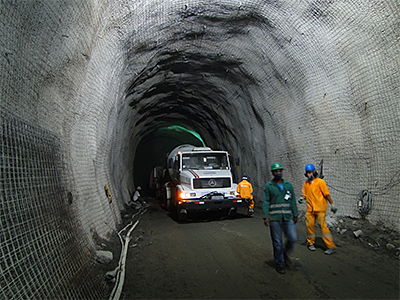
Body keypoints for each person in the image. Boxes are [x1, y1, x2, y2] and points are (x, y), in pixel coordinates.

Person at [263, 162, 298, 274]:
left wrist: (295, 214)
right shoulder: (269, 187)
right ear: (273, 173)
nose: (278, 173)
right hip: (275, 218)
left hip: (287, 217)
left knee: (292, 238)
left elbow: (292, 201)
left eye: (280, 171)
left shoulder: (288, 186)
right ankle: (280, 264)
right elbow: (266, 202)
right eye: (276, 171)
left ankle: (285, 254)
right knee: (277, 242)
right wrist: (265, 217)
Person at [301, 163, 336, 255]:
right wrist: (302, 198)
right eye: (308, 173)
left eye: (311, 172)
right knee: (309, 226)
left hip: (320, 209)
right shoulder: (306, 184)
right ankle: (311, 243)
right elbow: (304, 194)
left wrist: (332, 203)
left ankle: (330, 245)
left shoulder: (320, 182)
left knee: (323, 228)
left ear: (314, 172)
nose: (309, 174)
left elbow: (326, 194)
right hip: (310, 210)